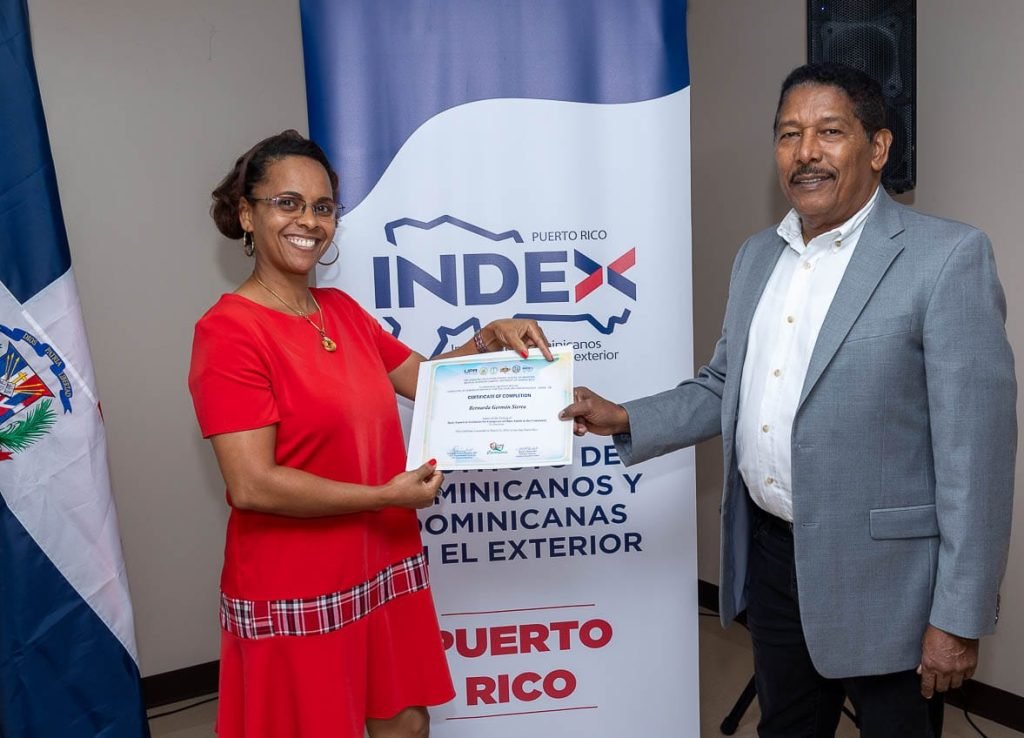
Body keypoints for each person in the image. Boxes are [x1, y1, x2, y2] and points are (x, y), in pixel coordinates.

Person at [560, 63, 1016, 737]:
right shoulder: (756, 257)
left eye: (830, 132)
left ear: (878, 148)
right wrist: (624, 416)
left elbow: (977, 458)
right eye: (788, 134)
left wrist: (958, 615)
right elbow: (726, 385)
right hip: (774, 560)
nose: (805, 152)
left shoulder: (946, 258)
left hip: (889, 581)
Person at [188, 130, 551, 738]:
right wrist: (385, 495)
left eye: (323, 207)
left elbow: (428, 382)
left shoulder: (342, 310)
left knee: (406, 722)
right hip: (297, 577)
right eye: (287, 203)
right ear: (247, 214)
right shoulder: (228, 332)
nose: (309, 221)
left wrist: (489, 337)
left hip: (381, 559)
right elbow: (253, 484)